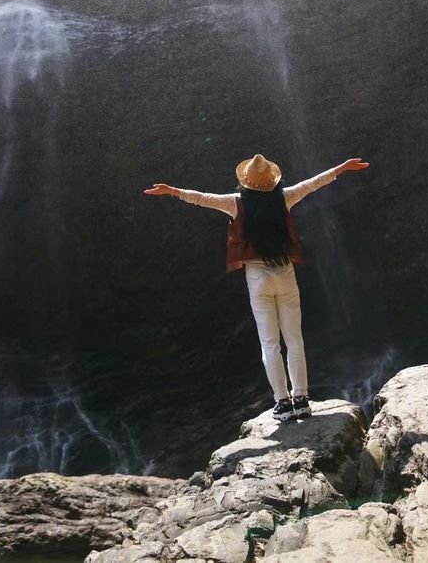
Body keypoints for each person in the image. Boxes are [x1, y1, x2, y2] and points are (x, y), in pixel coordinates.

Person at [144, 153, 369, 421]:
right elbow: (313, 183)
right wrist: (341, 168)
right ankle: (302, 400)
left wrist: (172, 191)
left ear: (245, 182)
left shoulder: (236, 203)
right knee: (294, 339)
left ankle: (283, 404)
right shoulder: (284, 197)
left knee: (270, 343)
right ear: (272, 181)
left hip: (257, 278)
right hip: (284, 272)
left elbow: (203, 198)